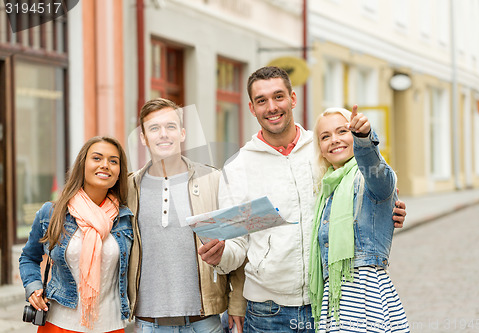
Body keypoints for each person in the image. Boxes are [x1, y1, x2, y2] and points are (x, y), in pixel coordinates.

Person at [198, 66, 407, 332]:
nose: (272, 107)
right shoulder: (238, 168)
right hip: (268, 311)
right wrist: (220, 254)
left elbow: (369, 182)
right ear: (252, 108)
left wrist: (390, 207)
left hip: (330, 304)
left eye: (279, 97)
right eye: (262, 101)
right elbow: (237, 245)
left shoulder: (323, 147)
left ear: (293, 99)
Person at [127, 98, 246, 333]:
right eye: (154, 128)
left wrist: (237, 303)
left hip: (204, 323)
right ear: (143, 137)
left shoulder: (213, 179)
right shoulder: (129, 188)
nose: (163, 134)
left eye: (170, 127)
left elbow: (238, 241)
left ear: (182, 133)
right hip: (147, 325)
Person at [309, 106, 409, 332]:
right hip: (335, 302)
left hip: (366, 297)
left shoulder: (371, 178)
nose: (334, 140)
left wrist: (364, 138)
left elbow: (374, 167)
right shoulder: (325, 191)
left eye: (342, 131)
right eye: (325, 137)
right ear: (321, 150)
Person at [19, 136, 133, 332]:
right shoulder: (52, 213)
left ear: (119, 172)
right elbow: (29, 257)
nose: (105, 165)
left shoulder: (126, 218)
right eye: (97, 158)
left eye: (113, 161)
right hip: (60, 324)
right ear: (83, 164)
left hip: (111, 325)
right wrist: (33, 287)